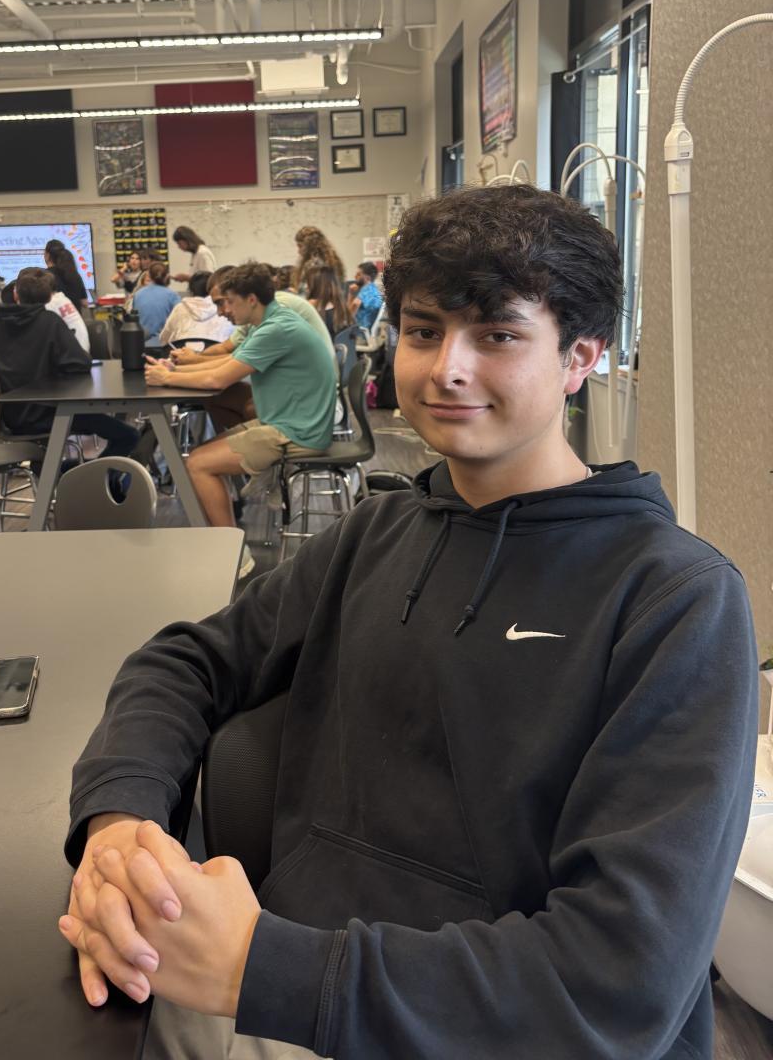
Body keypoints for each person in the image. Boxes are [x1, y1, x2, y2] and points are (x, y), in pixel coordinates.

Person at [58, 186, 757, 1060]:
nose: (445, 369)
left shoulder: (675, 600)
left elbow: (618, 982)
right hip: (276, 993)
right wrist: (121, 826)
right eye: (425, 331)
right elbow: (186, 661)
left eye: (496, 336)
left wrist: (260, 969)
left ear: (581, 356)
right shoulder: (376, 534)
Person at [144, 262, 337, 575]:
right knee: (200, 455)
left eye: (229, 302)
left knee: (198, 464)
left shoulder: (277, 329)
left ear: (251, 299)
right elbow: (226, 364)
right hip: (289, 422)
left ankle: (235, 555)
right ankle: (227, 536)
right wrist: (174, 370)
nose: (224, 311)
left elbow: (217, 379)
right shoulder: (269, 322)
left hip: (297, 432)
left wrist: (167, 378)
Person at [0, 267, 143, 460]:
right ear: (48, 297)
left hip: (11, 416)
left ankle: (68, 472)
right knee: (128, 436)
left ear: (15, 292)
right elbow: (80, 363)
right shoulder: (50, 322)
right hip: (52, 412)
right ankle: (93, 473)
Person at [170, 266, 335, 433]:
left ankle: (252, 444)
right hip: (297, 389)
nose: (223, 311)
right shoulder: (263, 315)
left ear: (248, 298)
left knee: (243, 403)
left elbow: (220, 373)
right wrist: (181, 367)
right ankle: (242, 442)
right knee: (219, 397)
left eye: (225, 301)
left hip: (306, 399)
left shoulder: (275, 318)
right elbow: (232, 354)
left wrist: (173, 373)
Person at [158, 271, 233, 348]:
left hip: (182, 353)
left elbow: (164, 338)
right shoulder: (223, 309)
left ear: (190, 291)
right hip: (219, 353)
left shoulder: (180, 308)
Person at [133, 262, 181, 346]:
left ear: (149, 276)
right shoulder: (173, 296)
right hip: (165, 346)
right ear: (167, 276)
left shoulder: (137, 295)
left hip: (141, 345)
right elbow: (179, 322)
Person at [293, 225, 345, 291]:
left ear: (308, 246)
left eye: (300, 246)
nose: (298, 251)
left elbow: (310, 292)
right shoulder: (332, 262)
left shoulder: (314, 265)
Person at [305, 265, 351, 339]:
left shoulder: (310, 306)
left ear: (315, 285)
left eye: (307, 283)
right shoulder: (341, 307)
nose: (306, 287)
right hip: (337, 345)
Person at [45, 239, 90, 310]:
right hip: (74, 316)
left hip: (54, 316)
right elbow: (84, 303)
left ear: (47, 255)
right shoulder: (75, 275)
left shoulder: (44, 276)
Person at [348, 261, 384, 333]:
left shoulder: (366, 290)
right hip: (366, 331)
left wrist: (350, 294)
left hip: (359, 332)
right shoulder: (374, 289)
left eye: (358, 274)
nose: (355, 276)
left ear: (367, 278)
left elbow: (351, 310)